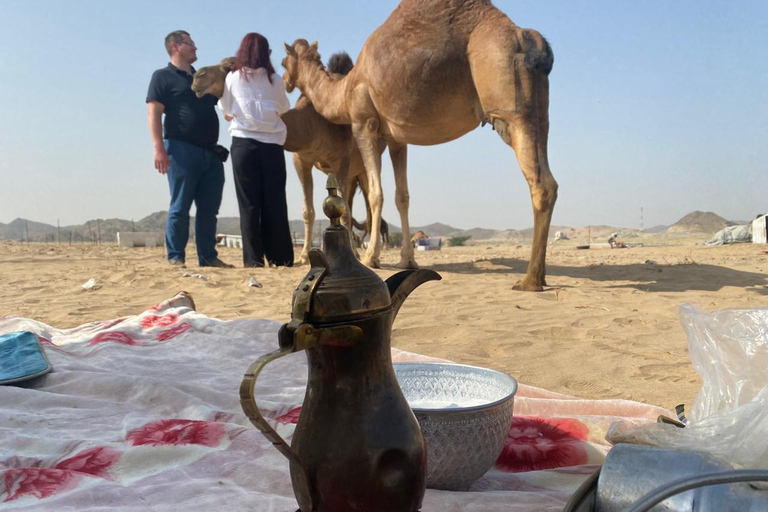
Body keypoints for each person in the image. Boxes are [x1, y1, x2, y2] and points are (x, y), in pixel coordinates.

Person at [146, 30, 233, 269]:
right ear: (175, 46)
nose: (195, 47)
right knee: (180, 206)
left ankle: (208, 257)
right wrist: (158, 148)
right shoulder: (162, 76)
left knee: (209, 209)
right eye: (190, 43)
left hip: (211, 152)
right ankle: (176, 257)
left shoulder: (203, 76)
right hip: (180, 148)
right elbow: (153, 112)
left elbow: (224, 104)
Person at [218, 32, 293, 268]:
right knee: (275, 202)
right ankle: (280, 257)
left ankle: (253, 259)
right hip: (272, 146)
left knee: (249, 204)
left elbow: (226, 110)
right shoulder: (275, 80)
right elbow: (283, 108)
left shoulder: (233, 78)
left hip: (244, 145)